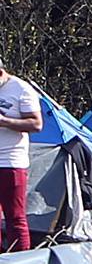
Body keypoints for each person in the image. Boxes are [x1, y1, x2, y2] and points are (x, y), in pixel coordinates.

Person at [0, 63, 44, 254]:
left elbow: (36, 123)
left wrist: (4, 121)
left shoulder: (20, 89)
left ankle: (20, 261)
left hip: (11, 162)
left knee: (15, 217)